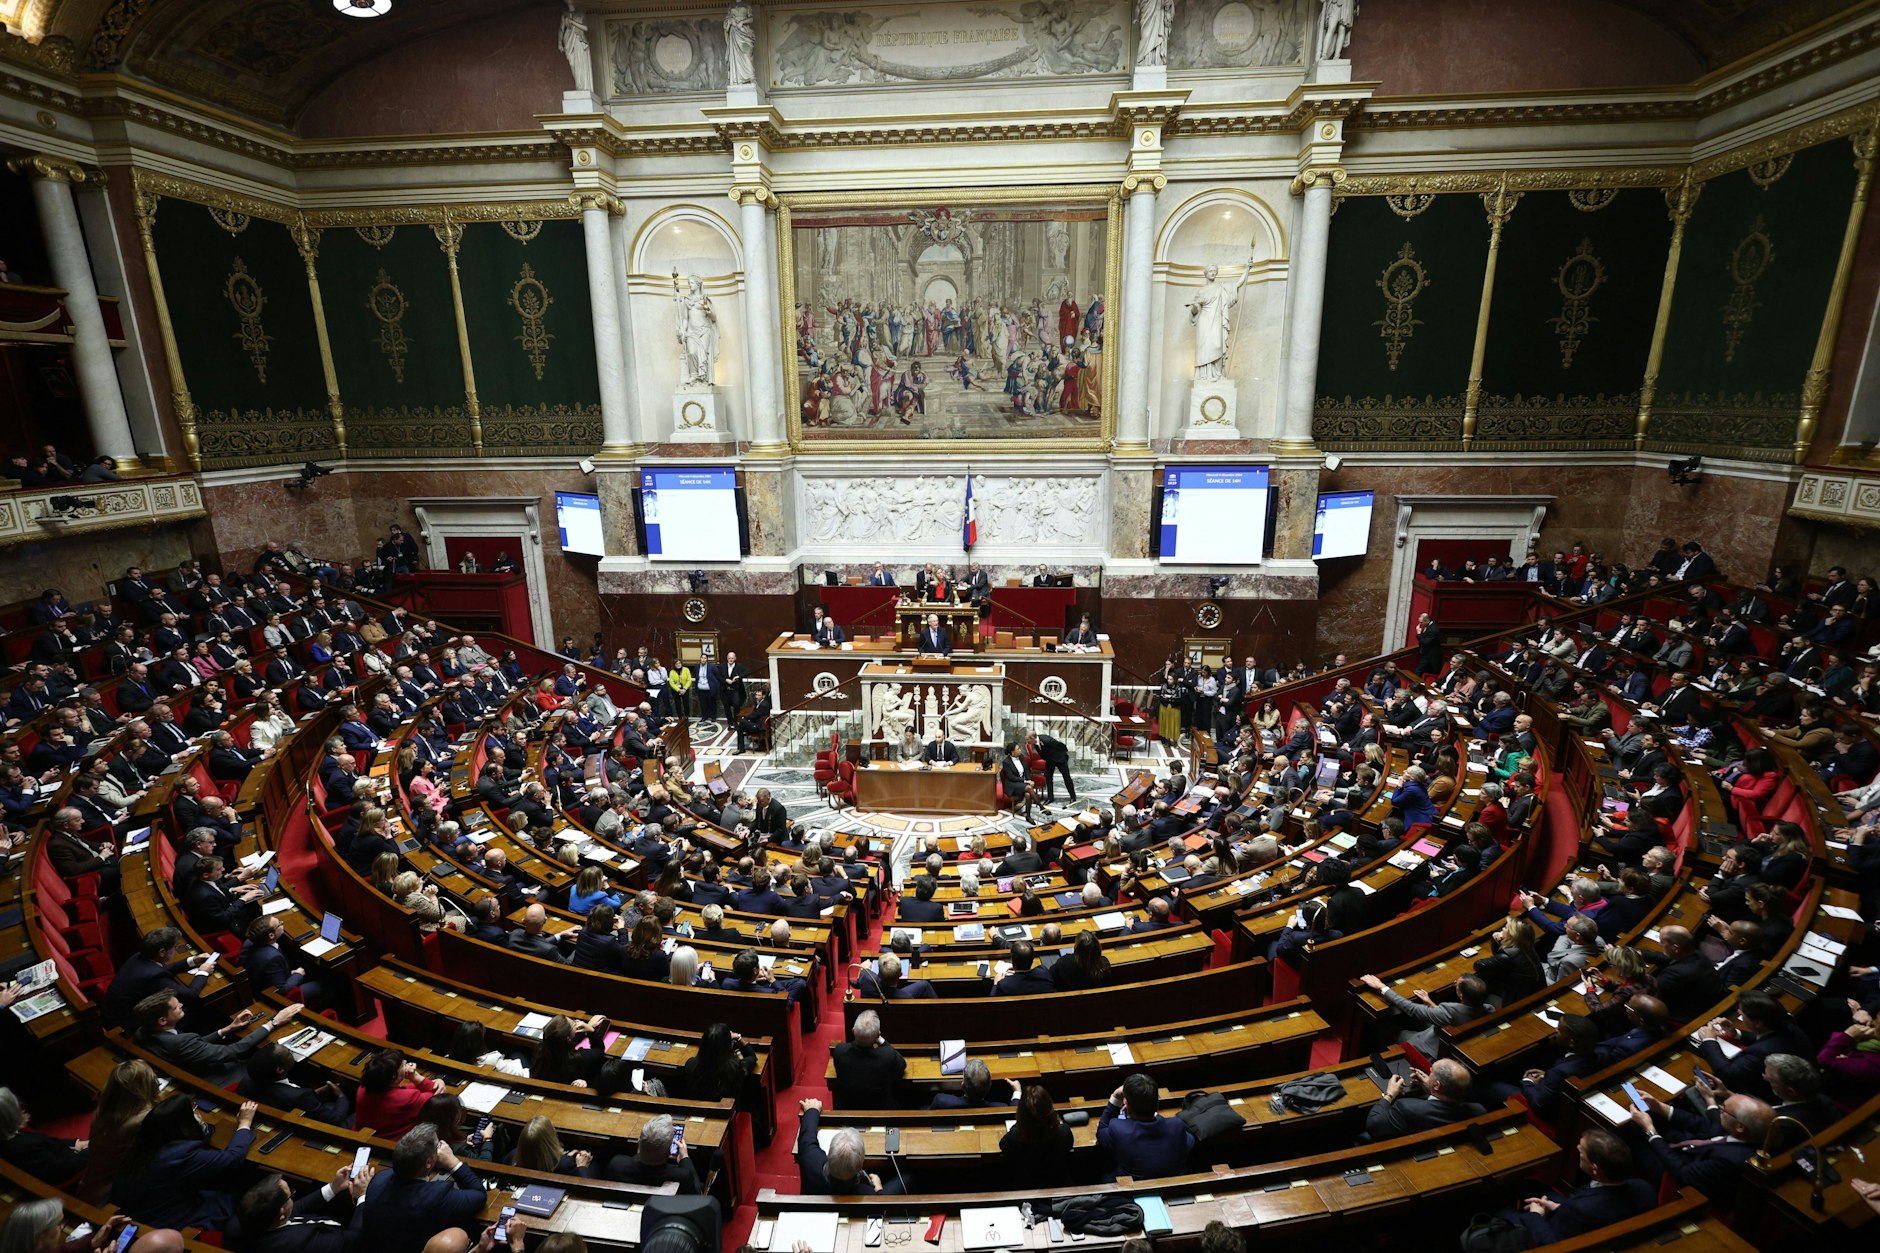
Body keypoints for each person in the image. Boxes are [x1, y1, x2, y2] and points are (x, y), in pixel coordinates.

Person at [112, 1094, 258, 1231]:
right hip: (164, 1219)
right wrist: (244, 1124)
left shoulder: (147, 1139)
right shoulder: (181, 1155)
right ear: (183, 1123)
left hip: (140, 1206)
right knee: (241, 1182)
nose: (198, 1114)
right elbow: (232, 1158)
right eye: (193, 1111)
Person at [1495, 1128, 1656, 1245]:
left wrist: (1536, 1215)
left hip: (1565, 1239)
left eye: (1582, 1150)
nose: (1578, 1148)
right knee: (1530, 1186)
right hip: (1589, 1223)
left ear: (1595, 1168)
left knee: (1502, 1210)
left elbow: (1552, 1243)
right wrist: (1557, 1208)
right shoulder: (1644, 1188)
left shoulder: (1579, 1209)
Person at [356, 1124, 488, 1253]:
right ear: (429, 1162)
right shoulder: (438, 1196)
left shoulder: (379, 1179)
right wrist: (453, 1162)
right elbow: (479, 1194)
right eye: (438, 1145)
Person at [133, 990, 302, 1088]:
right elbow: (233, 1051)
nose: (181, 1005)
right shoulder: (181, 1042)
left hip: (190, 1069)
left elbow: (194, 1046)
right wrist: (274, 1022)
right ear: (163, 1021)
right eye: (177, 1007)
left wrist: (227, 1029)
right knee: (268, 1059)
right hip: (217, 1080)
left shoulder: (142, 1031)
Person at [234, 1164, 371, 1253]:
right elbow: (353, 1241)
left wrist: (334, 1187)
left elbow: (298, 1207)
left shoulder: (257, 1216)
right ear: (281, 1214)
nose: (293, 1197)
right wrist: (362, 1196)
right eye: (290, 1194)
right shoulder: (300, 1243)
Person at [1097, 1073, 1193, 1180]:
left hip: (1132, 1188)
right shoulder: (1177, 1125)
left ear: (1128, 1107)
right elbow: (1190, 1142)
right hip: (1175, 1186)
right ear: (1157, 1103)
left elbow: (1102, 1130)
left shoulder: (1118, 1129)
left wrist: (1115, 1097)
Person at [1361, 1058, 1485, 1141]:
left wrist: (1389, 1094)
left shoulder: (1406, 1108)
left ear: (1437, 1085)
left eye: (1431, 1072)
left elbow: (1374, 1124)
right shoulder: (1479, 1111)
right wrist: (1432, 1090)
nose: (1429, 1073)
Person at [795, 1098, 899, 1194]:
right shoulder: (866, 1193)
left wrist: (812, 1110)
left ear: (828, 1155)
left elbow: (806, 1135)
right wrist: (879, 1188)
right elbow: (879, 1202)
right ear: (861, 1166)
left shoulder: (810, 1160)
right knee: (906, 1178)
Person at [0, 1087, 87, 1185]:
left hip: (70, 1157)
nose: (21, 1107)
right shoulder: (21, 1147)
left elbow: (48, 1142)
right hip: (75, 1174)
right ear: (10, 1115)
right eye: (16, 1106)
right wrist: (90, 1150)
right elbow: (63, 1169)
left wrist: (77, 1144)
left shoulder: (12, 1135)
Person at [353, 1049, 439, 1141]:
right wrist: (416, 1077)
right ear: (394, 1077)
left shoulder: (363, 1088)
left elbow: (401, 1089)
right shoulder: (407, 1098)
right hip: (391, 1143)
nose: (406, 1063)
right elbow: (437, 1095)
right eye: (402, 1065)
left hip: (361, 1137)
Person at [1000, 1083, 1074, 1188]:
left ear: (1021, 1114)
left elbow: (1003, 1145)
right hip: (1058, 1185)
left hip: (1025, 1188)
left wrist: (1019, 1123)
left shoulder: (1014, 1137)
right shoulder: (1064, 1132)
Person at [602, 1114, 701, 1193]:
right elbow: (697, 1195)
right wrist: (685, 1158)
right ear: (669, 1151)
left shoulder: (616, 1164)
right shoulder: (682, 1176)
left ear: (638, 1144)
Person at [830, 1009, 905, 1109]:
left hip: (847, 1109)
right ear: (878, 1035)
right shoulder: (888, 1055)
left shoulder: (840, 1051)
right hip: (880, 1110)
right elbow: (902, 1065)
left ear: (853, 1031)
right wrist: (881, 1040)